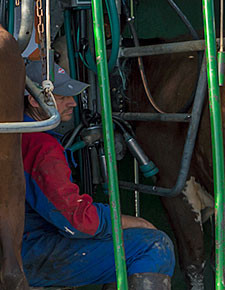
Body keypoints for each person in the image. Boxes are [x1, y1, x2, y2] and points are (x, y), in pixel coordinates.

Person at [17, 37, 176, 289]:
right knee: (153, 245)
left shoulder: (19, 134)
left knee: (127, 245)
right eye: (61, 96)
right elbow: (75, 220)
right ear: (34, 100)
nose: (71, 102)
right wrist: (130, 221)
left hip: (22, 247)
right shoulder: (41, 147)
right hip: (36, 254)